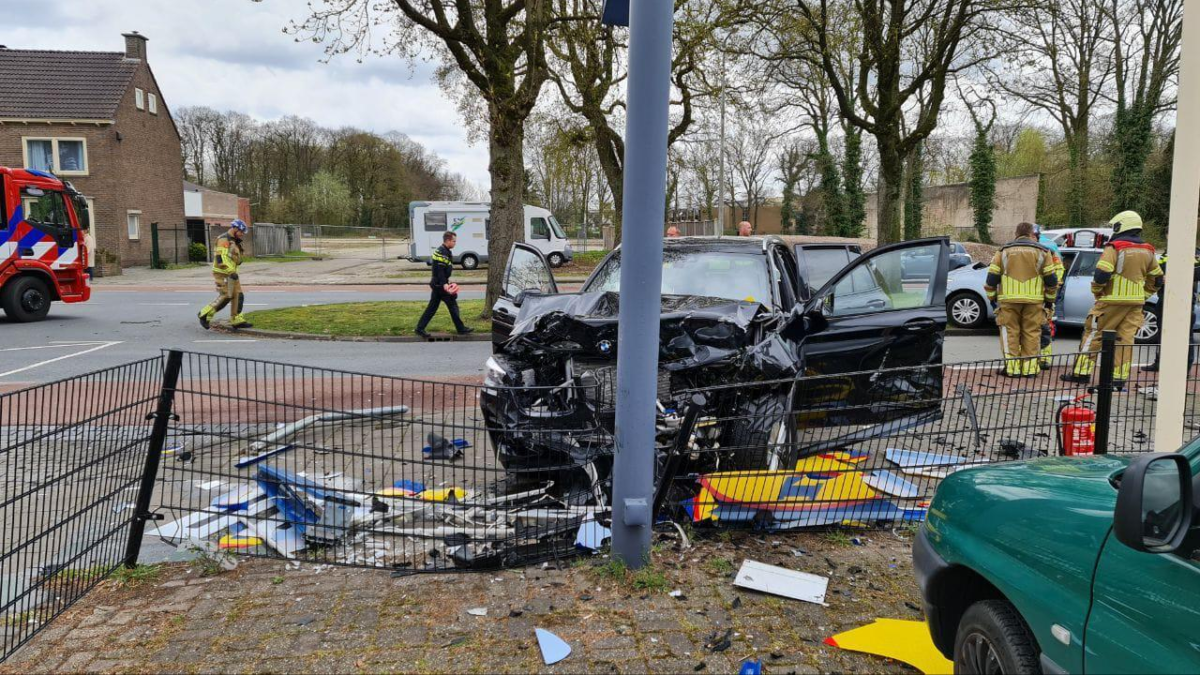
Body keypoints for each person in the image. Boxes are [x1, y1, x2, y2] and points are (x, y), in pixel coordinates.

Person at [1063, 211, 1162, 387]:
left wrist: (1097, 291)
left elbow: (1102, 273)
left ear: (1121, 225)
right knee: (1125, 340)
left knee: (1094, 334)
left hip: (1111, 301)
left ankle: (1081, 373)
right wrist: (1144, 294)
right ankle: (1118, 378)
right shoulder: (1148, 250)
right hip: (1135, 304)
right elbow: (1157, 278)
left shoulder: (1115, 247)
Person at [984, 222, 1059, 377]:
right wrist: (1049, 302)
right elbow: (1051, 281)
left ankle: (1012, 369)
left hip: (1008, 301)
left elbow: (991, 279)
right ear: (1031, 234)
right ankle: (1030, 370)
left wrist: (992, 300)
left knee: (1009, 332)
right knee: (1032, 333)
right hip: (1034, 301)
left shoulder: (1003, 251)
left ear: (1016, 234)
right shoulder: (1043, 252)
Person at [1142, 247, 1200, 372]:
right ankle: (1159, 363)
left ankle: (1185, 369)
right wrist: (1160, 278)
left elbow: (1197, 273)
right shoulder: (1166, 254)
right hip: (1164, 297)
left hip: (1184, 300)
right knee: (1163, 332)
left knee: (1186, 336)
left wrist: (1176, 276)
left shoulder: (1192, 251)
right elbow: (1157, 273)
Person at [415, 231, 473, 338]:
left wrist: (445, 282)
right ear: (447, 241)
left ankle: (419, 328)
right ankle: (461, 329)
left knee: (432, 307)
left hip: (438, 284)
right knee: (452, 305)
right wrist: (444, 285)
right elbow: (440, 271)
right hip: (439, 285)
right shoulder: (442, 252)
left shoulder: (444, 251)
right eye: (454, 241)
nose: (455, 243)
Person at [198, 219, 251, 330]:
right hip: (222, 273)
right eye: (241, 231)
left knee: (238, 295)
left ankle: (236, 320)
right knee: (226, 296)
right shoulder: (224, 239)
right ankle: (204, 314)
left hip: (232, 273)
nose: (242, 234)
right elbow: (220, 258)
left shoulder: (234, 240)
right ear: (235, 228)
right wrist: (230, 271)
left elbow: (235, 257)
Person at [1034, 224, 1065, 369]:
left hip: (1043, 296)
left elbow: (1058, 270)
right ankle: (1034, 359)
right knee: (1034, 329)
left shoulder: (1048, 251)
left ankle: (1044, 359)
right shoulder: (1039, 251)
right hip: (1035, 296)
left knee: (1045, 328)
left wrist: (1051, 287)